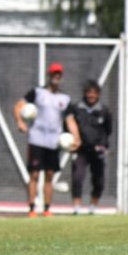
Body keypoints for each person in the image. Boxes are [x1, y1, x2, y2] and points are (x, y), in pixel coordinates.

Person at [13, 62, 80, 218]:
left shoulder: (65, 98)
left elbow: (70, 120)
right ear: (49, 75)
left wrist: (77, 138)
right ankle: (32, 209)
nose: (56, 76)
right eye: (54, 73)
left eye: (59, 74)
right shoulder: (37, 92)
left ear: (61, 76)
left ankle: (47, 208)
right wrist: (20, 122)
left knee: (50, 175)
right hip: (37, 140)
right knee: (34, 175)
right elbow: (18, 106)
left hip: (54, 141)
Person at [67, 80, 112, 215]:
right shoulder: (76, 108)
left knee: (99, 180)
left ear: (98, 94)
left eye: (94, 93)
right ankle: (77, 208)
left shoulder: (104, 110)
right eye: (89, 92)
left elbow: (108, 130)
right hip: (80, 150)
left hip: (97, 150)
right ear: (84, 93)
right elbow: (68, 125)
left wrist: (103, 145)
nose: (91, 95)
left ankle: (93, 207)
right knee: (77, 177)